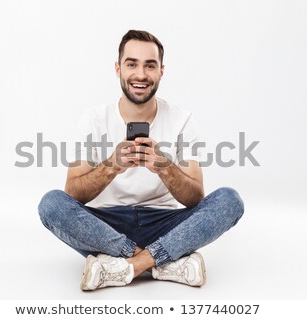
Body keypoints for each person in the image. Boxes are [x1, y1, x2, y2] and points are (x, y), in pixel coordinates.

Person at [38, 30, 244, 291]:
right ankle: (164, 262)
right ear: (118, 69)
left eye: (150, 65)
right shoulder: (93, 119)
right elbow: (72, 194)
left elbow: (195, 199)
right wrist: (112, 165)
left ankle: (129, 266)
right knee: (51, 204)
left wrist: (164, 166)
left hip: (166, 224)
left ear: (161, 71)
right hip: (105, 226)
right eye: (131, 64)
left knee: (230, 200)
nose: (141, 74)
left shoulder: (182, 120)